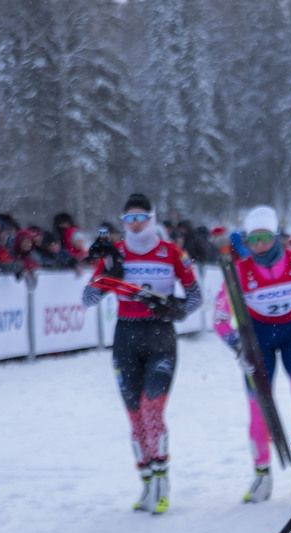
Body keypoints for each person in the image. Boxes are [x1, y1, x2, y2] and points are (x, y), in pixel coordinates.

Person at [82, 193, 202, 514]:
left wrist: (172, 310)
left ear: (152, 218)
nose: (135, 225)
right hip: (126, 337)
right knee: (135, 417)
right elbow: (88, 298)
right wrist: (108, 273)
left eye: (140, 218)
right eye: (128, 219)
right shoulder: (115, 253)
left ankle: (163, 480)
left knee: (152, 409)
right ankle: (146, 482)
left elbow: (195, 297)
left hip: (160, 336)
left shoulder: (170, 252)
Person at [213, 205, 291, 503]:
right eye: (253, 239)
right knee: (259, 408)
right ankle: (262, 474)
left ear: (277, 236)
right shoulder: (239, 271)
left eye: (266, 238)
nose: (260, 245)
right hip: (258, 341)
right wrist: (237, 347)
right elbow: (218, 318)